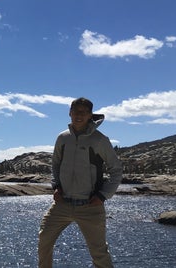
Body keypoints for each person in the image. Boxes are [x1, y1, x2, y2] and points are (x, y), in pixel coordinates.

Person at [38, 97, 123, 268]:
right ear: (70, 112)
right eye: (76, 111)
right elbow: (55, 164)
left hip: (90, 206)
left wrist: (102, 196)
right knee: (44, 239)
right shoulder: (62, 138)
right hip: (62, 204)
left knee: (99, 253)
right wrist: (56, 187)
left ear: (90, 115)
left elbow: (116, 170)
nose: (79, 115)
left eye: (84, 112)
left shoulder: (99, 140)